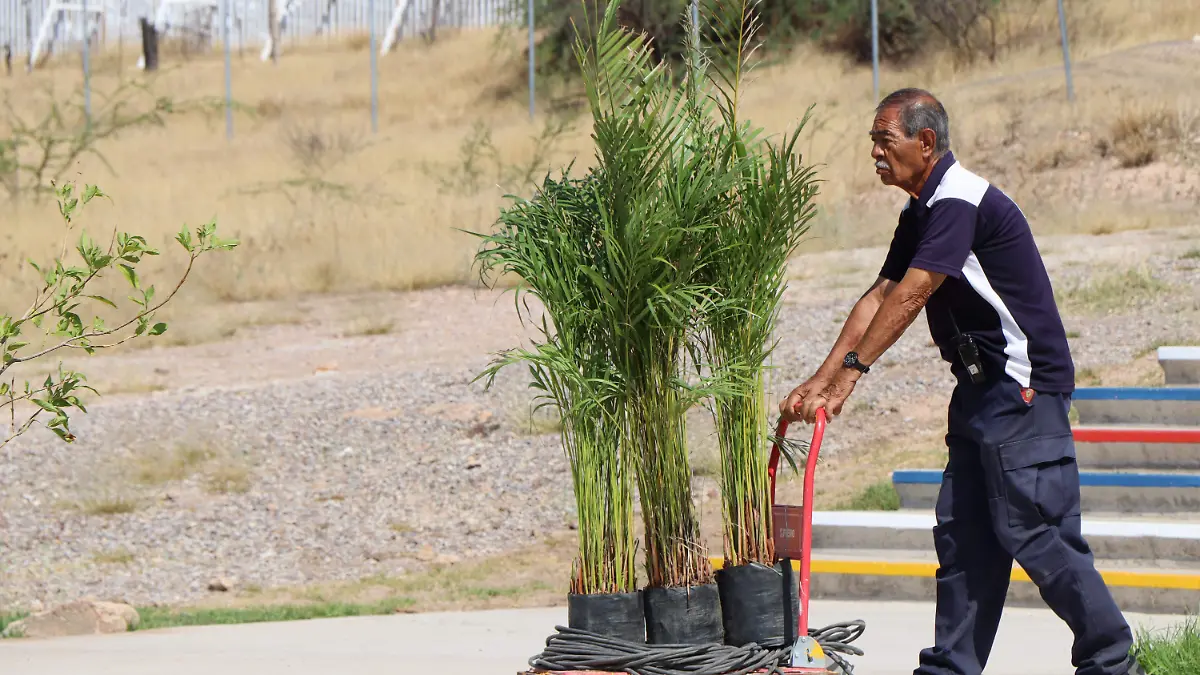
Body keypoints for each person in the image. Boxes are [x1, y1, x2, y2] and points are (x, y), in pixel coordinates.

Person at [778, 88, 1144, 675]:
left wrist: (852, 375)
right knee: (965, 537)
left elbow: (916, 290)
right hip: (978, 393)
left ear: (925, 144)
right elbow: (880, 295)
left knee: (1036, 531)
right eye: (872, 141)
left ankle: (1112, 662)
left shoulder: (959, 200)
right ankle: (949, 669)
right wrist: (820, 380)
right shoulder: (920, 209)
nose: (874, 153)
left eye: (884, 140)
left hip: (1021, 390)